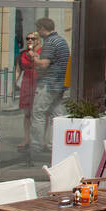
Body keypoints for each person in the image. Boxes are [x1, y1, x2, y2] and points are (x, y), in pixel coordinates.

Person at [29, 17, 70, 156]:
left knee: (38, 113)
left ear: (42, 28)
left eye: (38, 29)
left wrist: (33, 57)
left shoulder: (50, 42)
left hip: (49, 82)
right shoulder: (61, 40)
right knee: (57, 114)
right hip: (59, 83)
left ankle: (36, 146)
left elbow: (44, 64)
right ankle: (54, 144)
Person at [17, 33, 41, 150]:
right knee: (27, 113)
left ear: (38, 40)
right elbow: (18, 69)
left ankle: (39, 139)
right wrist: (13, 85)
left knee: (38, 113)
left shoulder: (42, 52)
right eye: (27, 38)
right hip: (26, 82)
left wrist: (34, 56)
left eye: (32, 38)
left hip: (38, 81)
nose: (29, 40)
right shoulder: (23, 53)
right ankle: (27, 138)